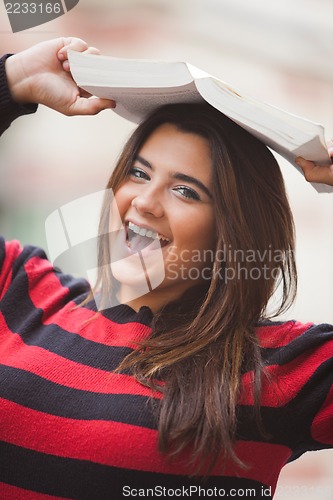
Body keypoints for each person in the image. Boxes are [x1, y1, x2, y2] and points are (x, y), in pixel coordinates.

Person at [0, 37, 332, 499]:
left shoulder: (280, 367)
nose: (145, 202)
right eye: (139, 173)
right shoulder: (20, 288)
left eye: (186, 191)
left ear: (231, 232)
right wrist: (12, 81)